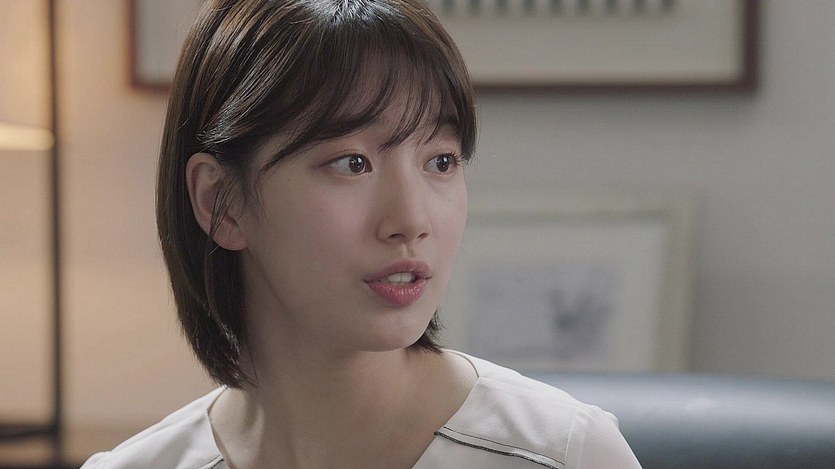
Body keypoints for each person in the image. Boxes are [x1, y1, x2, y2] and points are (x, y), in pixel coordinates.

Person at [82, 0, 641, 467]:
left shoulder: (566, 454)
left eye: (441, 161)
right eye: (352, 163)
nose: (412, 220)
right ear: (221, 202)